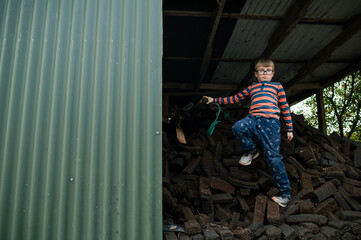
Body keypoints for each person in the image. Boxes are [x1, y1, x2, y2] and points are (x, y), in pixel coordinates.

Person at [203, 59, 293, 207]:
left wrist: (289, 129)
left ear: (273, 73)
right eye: (261, 71)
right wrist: (214, 100)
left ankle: (286, 195)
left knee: (274, 159)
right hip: (253, 119)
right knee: (238, 127)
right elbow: (234, 99)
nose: (265, 73)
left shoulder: (277, 87)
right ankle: (251, 151)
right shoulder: (252, 87)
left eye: (268, 70)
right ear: (256, 74)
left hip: (271, 123)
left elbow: (285, 107)